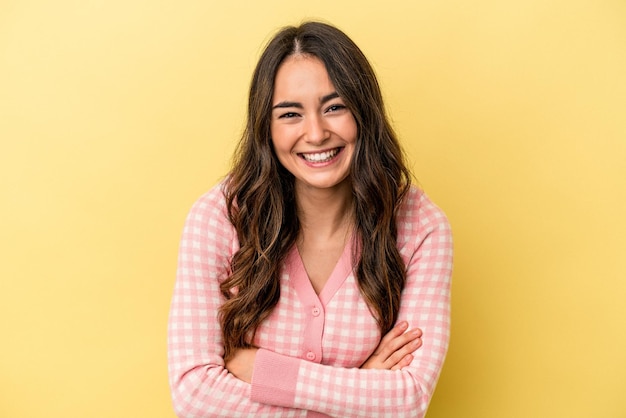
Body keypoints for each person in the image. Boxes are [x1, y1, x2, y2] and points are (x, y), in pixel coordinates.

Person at [167, 21, 453, 418]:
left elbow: (408, 398)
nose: (316, 134)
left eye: (334, 107)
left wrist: (265, 372)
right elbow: (194, 395)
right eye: (290, 114)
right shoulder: (219, 218)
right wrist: (363, 384)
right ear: (266, 128)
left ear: (363, 112)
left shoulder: (420, 228)